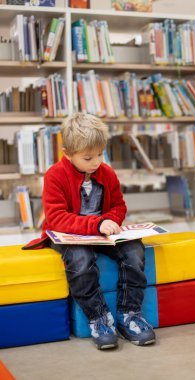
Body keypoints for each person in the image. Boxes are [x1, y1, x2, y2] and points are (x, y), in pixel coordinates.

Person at [24, 113, 155, 350]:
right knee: (81, 259)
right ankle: (99, 318)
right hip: (67, 235)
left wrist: (110, 221)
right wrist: (95, 225)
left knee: (135, 250)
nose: (96, 162)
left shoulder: (106, 172)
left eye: (100, 154)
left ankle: (130, 314)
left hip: (102, 234)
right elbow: (56, 218)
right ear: (67, 154)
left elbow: (118, 206)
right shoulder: (55, 175)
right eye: (87, 158)